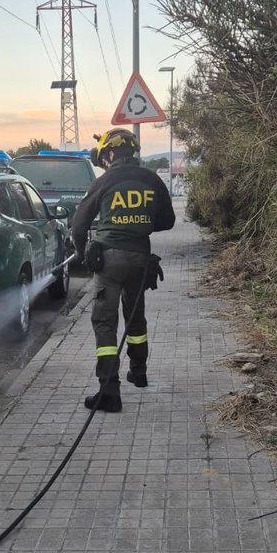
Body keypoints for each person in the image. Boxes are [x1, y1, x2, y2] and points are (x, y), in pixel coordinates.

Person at [71, 129, 176, 412]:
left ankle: (109, 392)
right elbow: (168, 221)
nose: (104, 160)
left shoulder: (104, 181)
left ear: (111, 154)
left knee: (105, 323)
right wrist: (139, 225)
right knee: (134, 315)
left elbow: (79, 226)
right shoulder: (152, 180)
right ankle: (138, 372)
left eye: (105, 155)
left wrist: (82, 254)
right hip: (141, 259)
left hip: (109, 261)